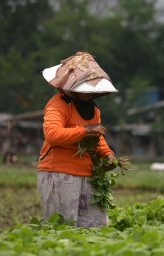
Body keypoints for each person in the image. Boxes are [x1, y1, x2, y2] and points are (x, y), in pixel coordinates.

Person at [37, 52, 118, 228]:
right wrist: (84, 130)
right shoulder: (59, 103)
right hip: (59, 172)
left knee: (96, 225)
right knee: (62, 226)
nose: (91, 93)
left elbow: (97, 138)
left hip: (88, 173)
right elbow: (52, 135)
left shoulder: (93, 109)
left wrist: (107, 155)